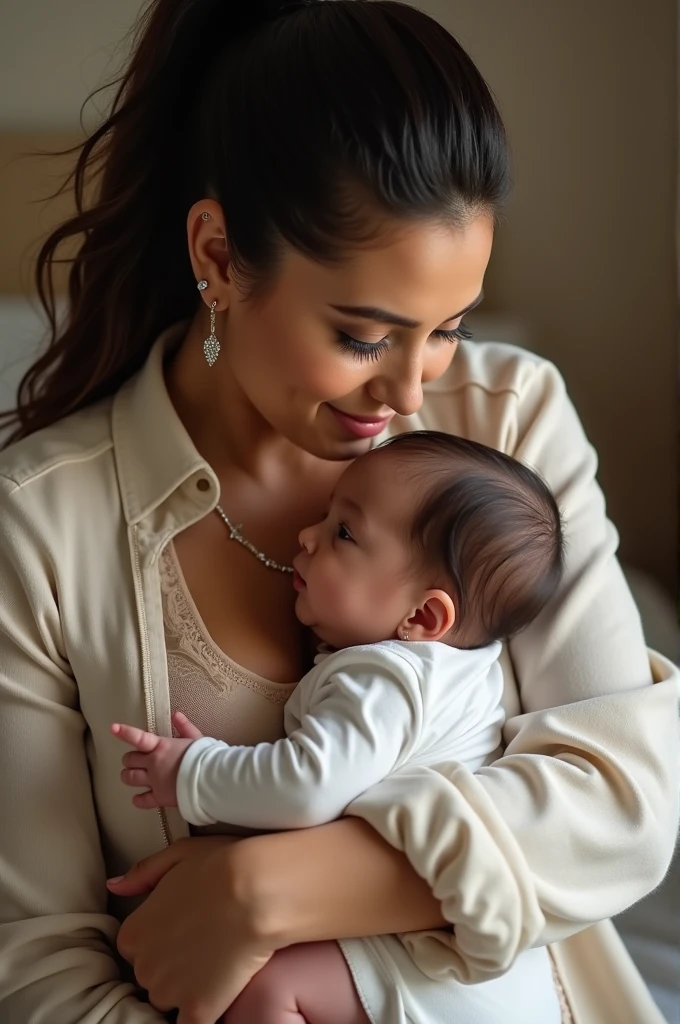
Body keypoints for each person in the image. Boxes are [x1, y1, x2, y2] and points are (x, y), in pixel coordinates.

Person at [0, 2, 676, 1023]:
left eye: (445, 329)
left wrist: (260, 892)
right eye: (363, 337)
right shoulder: (41, 526)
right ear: (219, 258)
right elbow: (39, 967)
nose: (409, 394)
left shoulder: (504, 419)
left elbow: (619, 805)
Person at [111, 430, 566, 1023]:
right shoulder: (461, 668)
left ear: (424, 615)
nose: (307, 534)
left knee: (265, 990)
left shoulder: (385, 679)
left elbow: (309, 787)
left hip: (428, 969)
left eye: (344, 533)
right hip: (484, 966)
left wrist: (195, 772)